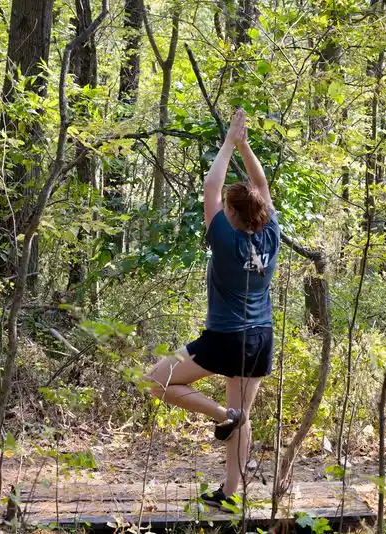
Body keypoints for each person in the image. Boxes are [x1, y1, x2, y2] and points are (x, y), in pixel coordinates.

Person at [147, 108, 280, 511]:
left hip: (225, 338)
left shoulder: (225, 240)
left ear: (234, 215)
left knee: (156, 382)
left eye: (227, 207)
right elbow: (260, 183)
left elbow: (212, 185)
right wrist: (245, 144)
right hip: (260, 338)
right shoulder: (270, 233)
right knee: (245, 413)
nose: (221, 208)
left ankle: (223, 414)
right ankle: (230, 494)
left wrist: (228, 144)